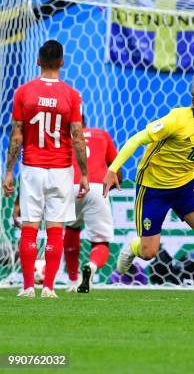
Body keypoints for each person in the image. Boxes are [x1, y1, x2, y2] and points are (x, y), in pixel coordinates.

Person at [102, 72, 194, 303]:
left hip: (185, 186)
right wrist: (113, 169)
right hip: (153, 188)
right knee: (149, 253)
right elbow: (137, 139)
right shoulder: (176, 120)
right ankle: (132, 247)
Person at [2, 40, 89, 298]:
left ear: (38, 61)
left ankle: (28, 286)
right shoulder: (72, 95)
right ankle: (49, 287)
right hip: (61, 169)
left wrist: (9, 171)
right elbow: (77, 136)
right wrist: (83, 174)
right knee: (55, 229)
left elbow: (16, 135)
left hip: (31, 168)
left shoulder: (23, 92)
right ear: (62, 62)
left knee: (29, 227)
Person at [65, 120, 122, 293]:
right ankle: (92, 264)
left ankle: (72, 280)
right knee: (101, 241)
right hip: (96, 186)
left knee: (71, 227)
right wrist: (112, 185)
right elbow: (116, 166)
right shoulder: (101, 134)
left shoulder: (65, 137)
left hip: (70, 185)